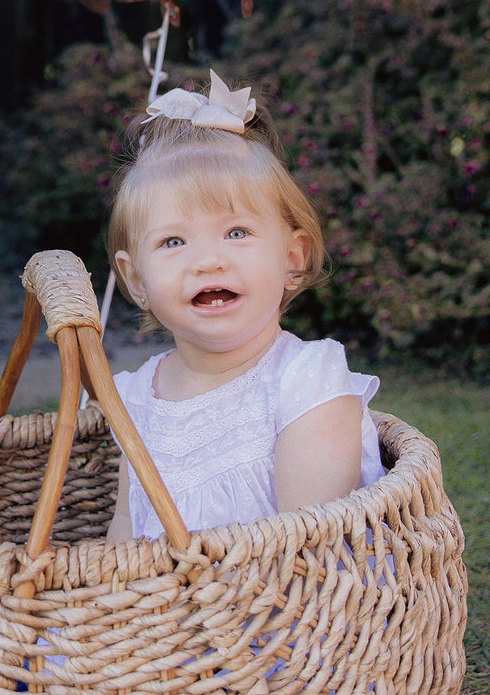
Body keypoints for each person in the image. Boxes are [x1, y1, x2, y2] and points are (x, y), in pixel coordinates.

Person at [104, 70, 384, 544]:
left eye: (237, 233)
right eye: (173, 241)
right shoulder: (136, 399)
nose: (208, 261)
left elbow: (305, 542)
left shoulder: (306, 383)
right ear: (136, 280)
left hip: (287, 604)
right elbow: (128, 526)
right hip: (161, 609)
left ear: (292, 259)